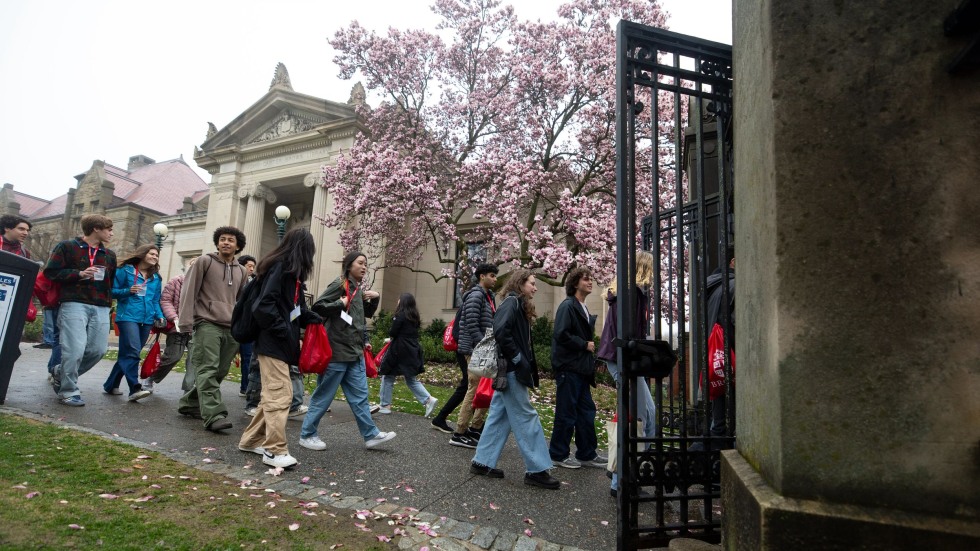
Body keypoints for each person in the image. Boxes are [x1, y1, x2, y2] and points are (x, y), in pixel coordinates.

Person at [239, 229, 322, 469]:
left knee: (273, 396)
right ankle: (274, 450)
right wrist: (284, 330)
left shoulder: (292, 276)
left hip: (280, 343)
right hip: (273, 342)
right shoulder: (280, 268)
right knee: (281, 394)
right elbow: (264, 306)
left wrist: (314, 317)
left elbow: (295, 310)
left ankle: (250, 440)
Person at [470, 269, 560, 490]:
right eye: (531, 283)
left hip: (509, 370)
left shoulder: (515, 303)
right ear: (520, 284)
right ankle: (537, 470)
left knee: (499, 417)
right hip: (511, 370)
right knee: (526, 417)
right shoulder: (512, 303)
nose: (535, 287)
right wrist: (518, 358)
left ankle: (482, 462)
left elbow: (504, 332)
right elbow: (501, 331)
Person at [299, 251, 396, 451]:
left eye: (366, 264)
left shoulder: (357, 289)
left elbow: (365, 315)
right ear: (349, 265)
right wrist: (339, 303)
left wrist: (375, 299)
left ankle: (371, 435)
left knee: (360, 397)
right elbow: (317, 307)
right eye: (360, 263)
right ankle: (307, 435)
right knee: (324, 396)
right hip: (336, 352)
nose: (364, 267)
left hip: (354, 352)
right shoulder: (339, 284)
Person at [597, 250, 658, 497]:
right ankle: (622, 480)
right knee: (639, 417)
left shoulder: (633, 294)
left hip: (626, 360)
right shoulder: (632, 294)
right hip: (624, 360)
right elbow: (628, 336)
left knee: (644, 416)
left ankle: (620, 474)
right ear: (646, 268)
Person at [176, 226, 249, 432]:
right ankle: (214, 415)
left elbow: (241, 302)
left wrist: (242, 325)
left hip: (230, 327)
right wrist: (185, 323)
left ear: (238, 246)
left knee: (220, 370)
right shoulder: (204, 262)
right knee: (207, 368)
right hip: (206, 323)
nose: (226, 242)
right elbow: (188, 292)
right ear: (217, 243)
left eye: (231, 240)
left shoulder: (242, 271)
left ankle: (189, 403)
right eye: (222, 239)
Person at [44, 214, 117, 406]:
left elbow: (111, 281)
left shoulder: (109, 255)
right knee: (74, 350)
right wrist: (79, 274)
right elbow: (50, 272)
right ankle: (68, 390)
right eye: (109, 229)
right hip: (73, 303)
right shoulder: (67, 247)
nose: (111, 233)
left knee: (98, 350)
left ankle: (60, 372)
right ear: (96, 229)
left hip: (101, 305)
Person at [432, 263, 497, 448]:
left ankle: (475, 428)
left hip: (483, 349)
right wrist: (483, 345)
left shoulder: (489, 296)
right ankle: (460, 432)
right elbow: (470, 323)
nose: (495, 279)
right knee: (474, 388)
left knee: (485, 387)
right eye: (492, 275)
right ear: (482, 276)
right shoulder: (476, 296)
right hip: (474, 349)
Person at [549, 267, 606, 469]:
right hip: (569, 368)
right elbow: (561, 334)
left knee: (586, 412)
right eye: (586, 280)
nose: (590, 282)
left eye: (591, 279)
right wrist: (584, 344)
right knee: (566, 412)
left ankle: (586, 453)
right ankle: (558, 453)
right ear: (575, 284)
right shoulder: (568, 306)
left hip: (581, 370)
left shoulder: (582, 307)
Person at [103, 244, 165, 401]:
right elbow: (111, 291)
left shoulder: (156, 277)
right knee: (132, 351)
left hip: (147, 319)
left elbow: (155, 299)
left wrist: (160, 316)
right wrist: (128, 291)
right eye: (151, 254)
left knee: (129, 353)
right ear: (143, 254)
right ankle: (134, 388)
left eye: (156, 255)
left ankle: (110, 385)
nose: (154, 257)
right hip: (127, 317)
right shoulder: (125, 271)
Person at [378, 293, 437, 417]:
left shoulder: (399, 315)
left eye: (399, 299)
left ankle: (385, 405)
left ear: (402, 302)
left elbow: (393, 332)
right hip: (412, 349)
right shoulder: (414, 317)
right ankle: (428, 399)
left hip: (398, 351)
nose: (397, 301)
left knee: (388, 376)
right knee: (411, 378)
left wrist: (391, 338)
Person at [155, 257, 196, 391]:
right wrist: (174, 317)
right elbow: (165, 300)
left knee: (194, 360)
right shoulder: (177, 281)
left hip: (196, 328)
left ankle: (188, 390)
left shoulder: (206, 286)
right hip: (177, 326)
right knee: (172, 357)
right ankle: (151, 378)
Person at [237, 255, 257, 397]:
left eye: (253, 266)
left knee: (248, 357)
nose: (251, 269)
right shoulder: (235, 280)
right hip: (232, 322)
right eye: (249, 265)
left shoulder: (254, 282)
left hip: (247, 325)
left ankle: (245, 387)